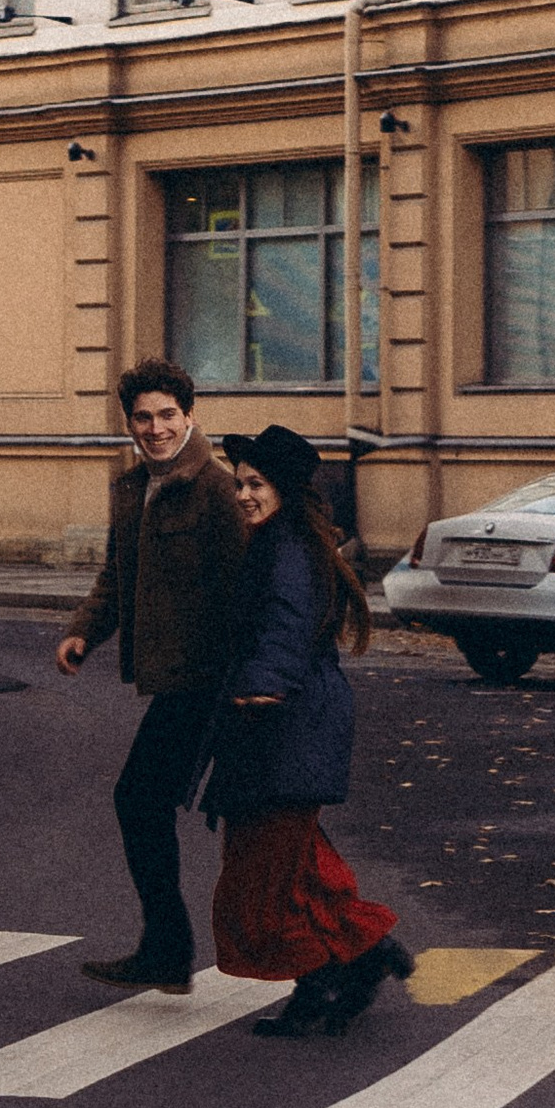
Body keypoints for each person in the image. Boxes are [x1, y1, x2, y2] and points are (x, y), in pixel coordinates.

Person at [202, 424, 409, 1040]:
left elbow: (287, 623)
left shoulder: (286, 548)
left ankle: (332, 970)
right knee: (300, 868)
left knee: (261, 879)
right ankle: (356, 960)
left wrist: (262, 682)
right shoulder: (277, 540)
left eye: (256, 484)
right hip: (281, 724)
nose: (244, 495)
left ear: (285, 490)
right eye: (240, 484)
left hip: (285, 722)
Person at [56, 358, 249, 992]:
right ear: (129, 423)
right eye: (143, 418)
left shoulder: (217, 490)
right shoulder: (134, 487)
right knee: (154, 802)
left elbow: (247, 589)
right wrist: (85, 631)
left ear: (190, 416)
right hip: (180, 681)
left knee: (149, 800)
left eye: (168, 415)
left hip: (213, 681)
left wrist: (252, 684)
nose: (156, 428)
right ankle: (167, 946)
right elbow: (116, 575)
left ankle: (169, 947)